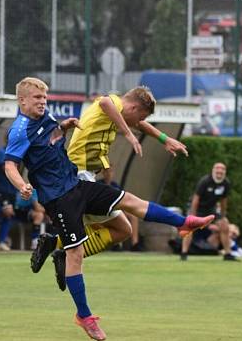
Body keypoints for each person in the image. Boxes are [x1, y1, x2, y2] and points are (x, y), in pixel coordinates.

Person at [4, 77, 212, 341]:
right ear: (22, 101)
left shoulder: (46, 117)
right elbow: (10, 164)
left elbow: (51, 139)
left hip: (77, 184)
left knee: (130, 203)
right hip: (59, 197)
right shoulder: (20, 129)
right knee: (76, 253)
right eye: (37, 98)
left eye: (44, 98)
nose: (43, 102)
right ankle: (84, 315)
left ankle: (182, 222)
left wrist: (65, 127)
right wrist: (22, 184)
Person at [31, 87, 189, 279]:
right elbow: (106, 103)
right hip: (78, 175)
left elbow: (137, 124)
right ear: (132, 108)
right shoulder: (112, 102)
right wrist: (128, 135)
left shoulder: (118, 112)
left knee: (123, 230)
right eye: (141, 117)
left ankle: (55, 246)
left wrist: (164, 139)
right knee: (126, 218)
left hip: (83, 175)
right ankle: (59, 251)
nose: (140, 123)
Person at [180, 162, 240, 262]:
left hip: (211, 210)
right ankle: (184, 253)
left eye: (222, 169)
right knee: (189, 227)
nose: (219, 171)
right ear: (213, 170)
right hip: (197, 208)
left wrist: (223, 216)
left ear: (225, 172)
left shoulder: (226, 183)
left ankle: (228, 254)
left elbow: (223, 201)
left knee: (224, 225)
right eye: (217, 168)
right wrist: (193, 215)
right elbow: (196, 199)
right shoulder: (205, 181)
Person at [0, 132, 19, 250]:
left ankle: (3, 240)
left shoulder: (18, 152)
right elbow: (8, 169)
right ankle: (1, 241)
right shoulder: (1, 152)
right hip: (2, 190)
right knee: (7, 213)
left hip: (13, 190)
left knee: (10, 215)